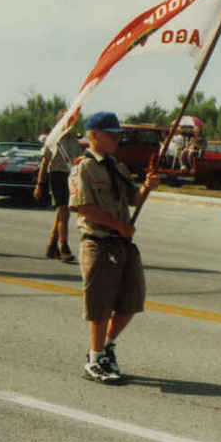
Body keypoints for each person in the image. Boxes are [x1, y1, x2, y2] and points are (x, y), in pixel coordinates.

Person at [69, 111, 161, 383]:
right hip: (98, 241)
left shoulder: (116, 166)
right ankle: (95, 359)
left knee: (131, 301)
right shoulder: (83, 167)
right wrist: (118, 226)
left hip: (122, 243)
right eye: (111, 134)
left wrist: (147, 187)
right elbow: (83, 207)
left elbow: (133, 199)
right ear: (94, 135)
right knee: (100, 305)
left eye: (117, 135)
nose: (116, 139)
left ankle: (107, 346)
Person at [34, 109, 83, 262]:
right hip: (56, 176)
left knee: (62, 211)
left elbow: (78, 161)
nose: (70, 124)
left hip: (70, 177)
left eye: (72, 121)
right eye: (68, 120)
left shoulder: (74, 141)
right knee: (63, 211)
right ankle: (64, 247)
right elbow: (44, 163)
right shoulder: (54, 140)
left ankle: (52, 246)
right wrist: (40, 184)